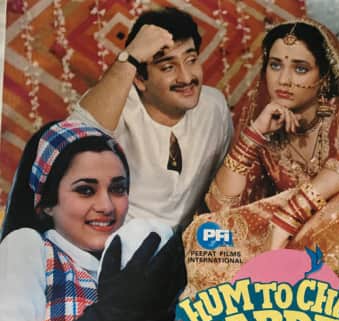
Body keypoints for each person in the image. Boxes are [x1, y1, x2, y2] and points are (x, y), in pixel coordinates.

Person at [182, 19, 339, 313]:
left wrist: (287, 219)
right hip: (295, 241)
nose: (284, 80)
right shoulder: (267, 129)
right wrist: (253, 136)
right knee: (208, 231)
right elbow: (221, 207)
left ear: (323, 76)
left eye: (300, 69)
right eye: (275, 65)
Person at [0, 120, 201, 321]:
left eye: (118, 189)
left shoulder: (149, 273)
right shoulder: (31, 248)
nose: (106, 206)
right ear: (46, 203)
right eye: (85, 190)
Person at [70, 7, 233, 230]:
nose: (186, 77)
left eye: (191, 60)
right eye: (168, 67)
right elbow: (71, 140)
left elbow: (222, 188)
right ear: (139, 78)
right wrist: (131, 56)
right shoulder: (115, 106)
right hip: (119, 240)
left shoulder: (214, 107)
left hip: (188, 241)